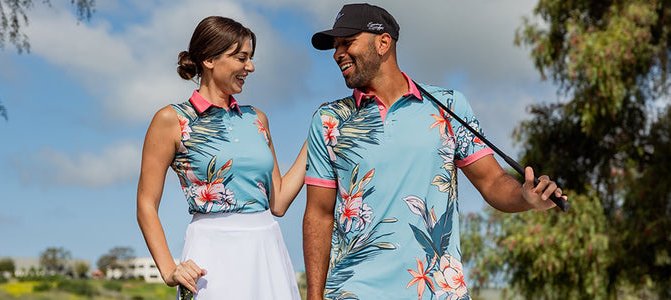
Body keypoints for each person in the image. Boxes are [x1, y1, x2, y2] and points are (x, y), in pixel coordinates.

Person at [303, 3, 566, 300]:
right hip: (354, 292)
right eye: (335, 46)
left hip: (437, 291)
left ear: (383, 43)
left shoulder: (449, 107)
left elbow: (492, 181)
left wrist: (525, 197)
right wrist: (314, 296)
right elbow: (318, 214)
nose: (337, 53)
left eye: (347, 42)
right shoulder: (329, 120)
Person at [137, 16, 305, 300]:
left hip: (266, 251)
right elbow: (146, 203)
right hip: (210, 255)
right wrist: (169, 269)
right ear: (209, 59)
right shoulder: (171, 120)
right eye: (241, 58)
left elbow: (278, 202)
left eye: (250, 58)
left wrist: (317, 138)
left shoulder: (257, 119)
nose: (250, 67)